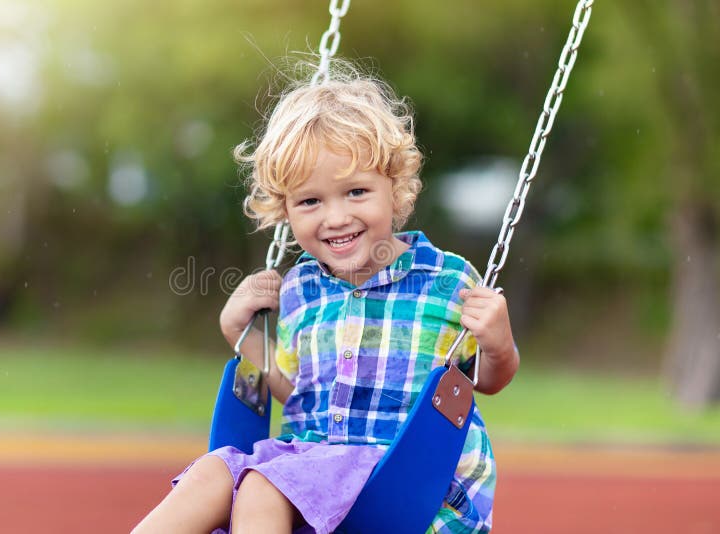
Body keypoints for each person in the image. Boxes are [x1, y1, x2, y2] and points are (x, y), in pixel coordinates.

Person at [132, 64, 519, 534]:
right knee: (213, 471)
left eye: (356, 192)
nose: (335, 217)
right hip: (311, 469)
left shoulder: (447, 281)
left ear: (394, 189)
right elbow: (298, 394)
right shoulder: (300, 290)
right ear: (284, 209)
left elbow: (484, 382)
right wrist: (239, 332)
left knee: (260, 483)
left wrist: (498, 342)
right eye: (310, 202)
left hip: (406, 482)